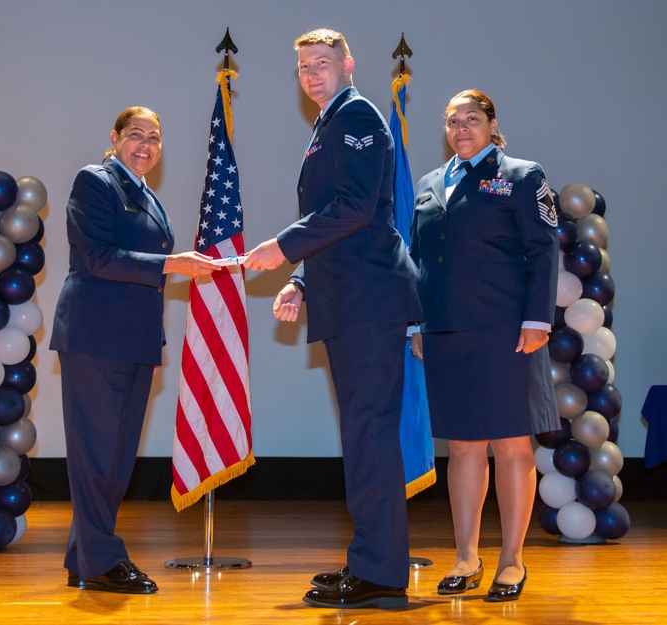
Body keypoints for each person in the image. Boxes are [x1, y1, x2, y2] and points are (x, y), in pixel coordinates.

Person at [243, 28, 423, 609]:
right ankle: (371, 559)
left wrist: (283, 248)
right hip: (348, 296)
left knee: (369, 434)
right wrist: (300, 280)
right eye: (303, 66)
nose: (312, 73)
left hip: (369, 300)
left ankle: (379, 571)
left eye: (322, 62)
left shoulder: (358, 116)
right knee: (362, 434)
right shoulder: (327, 124)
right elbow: (342, 220)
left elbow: (353, 209)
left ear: (348, 64)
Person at [50, 106, 218, 594]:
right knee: (97, 456)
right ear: (115, 138)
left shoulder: (146, 196)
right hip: (95, 339)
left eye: (155, 138)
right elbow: (97, 257)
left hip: (134, 343)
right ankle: (102, 562)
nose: (145, 145)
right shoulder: (95, 182)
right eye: (136, 135)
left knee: (116, 457)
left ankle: (82, 557)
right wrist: (172, 263)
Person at [409, 90, 560, 602]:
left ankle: (512, 561)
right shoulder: (430, 184)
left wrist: (537, 320)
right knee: (463, 447)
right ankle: (466, 556)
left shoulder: (522, 176)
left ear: (492, 124)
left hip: (506, 331)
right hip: (444, 332)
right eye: (452, 121)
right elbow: (417, 258)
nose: (461, 128)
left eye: (471, 119)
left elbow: (543, 249)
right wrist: (415, 324)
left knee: (512, 445)